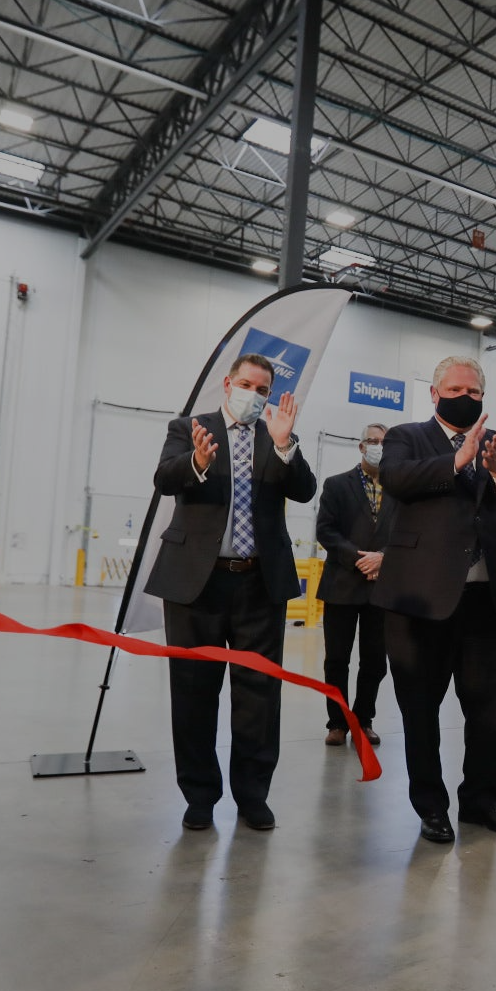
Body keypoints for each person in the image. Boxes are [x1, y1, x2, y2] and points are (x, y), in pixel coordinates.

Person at [371, 356, 496, 844]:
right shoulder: (406, 436)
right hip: (419, 601)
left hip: (485, 601)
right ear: (434, 392)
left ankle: (482, 801)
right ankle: (431, 807)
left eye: (474, 392)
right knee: (420, 711)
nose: (465, 398)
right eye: (456, 389)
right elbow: (397, 478)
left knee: (489, 711)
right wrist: (458, 460)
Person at [145, 352, 315, 833]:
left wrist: (284, 448)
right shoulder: (189, 428)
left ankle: (252, 793)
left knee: (258, 692)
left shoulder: (277, 435)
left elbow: (304, 490)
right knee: (194, 690)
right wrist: (197, 462)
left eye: (263, 390)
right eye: (247, 385)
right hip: (195, 582)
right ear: (227, 384)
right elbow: (163, 479)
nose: (254, 396)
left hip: (259, 582)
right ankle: (199, 795)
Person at [314, 423, 394, 748]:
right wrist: (359, 558)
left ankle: (364, 720)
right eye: (372, 441)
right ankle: (337, 722)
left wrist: (383, 558)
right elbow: (326, 531)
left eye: (384, 442)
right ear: (361, 447)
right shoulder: (336, 485)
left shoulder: (401, 491)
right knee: (337, 659)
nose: (378, 447)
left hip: (382, 587)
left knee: (375, 661)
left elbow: (407, 535)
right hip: (342, 584)